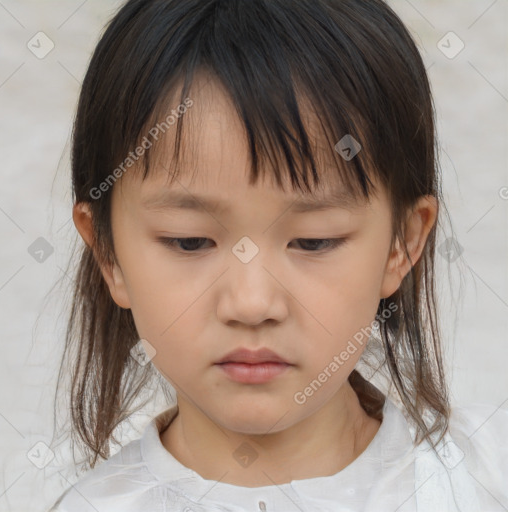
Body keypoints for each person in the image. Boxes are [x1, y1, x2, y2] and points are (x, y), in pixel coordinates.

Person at [48, 0, 508, 510]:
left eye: (314, 241)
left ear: (403, 243)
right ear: (108, 254)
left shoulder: (485, 482)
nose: (251, 303)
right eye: (189, 241)